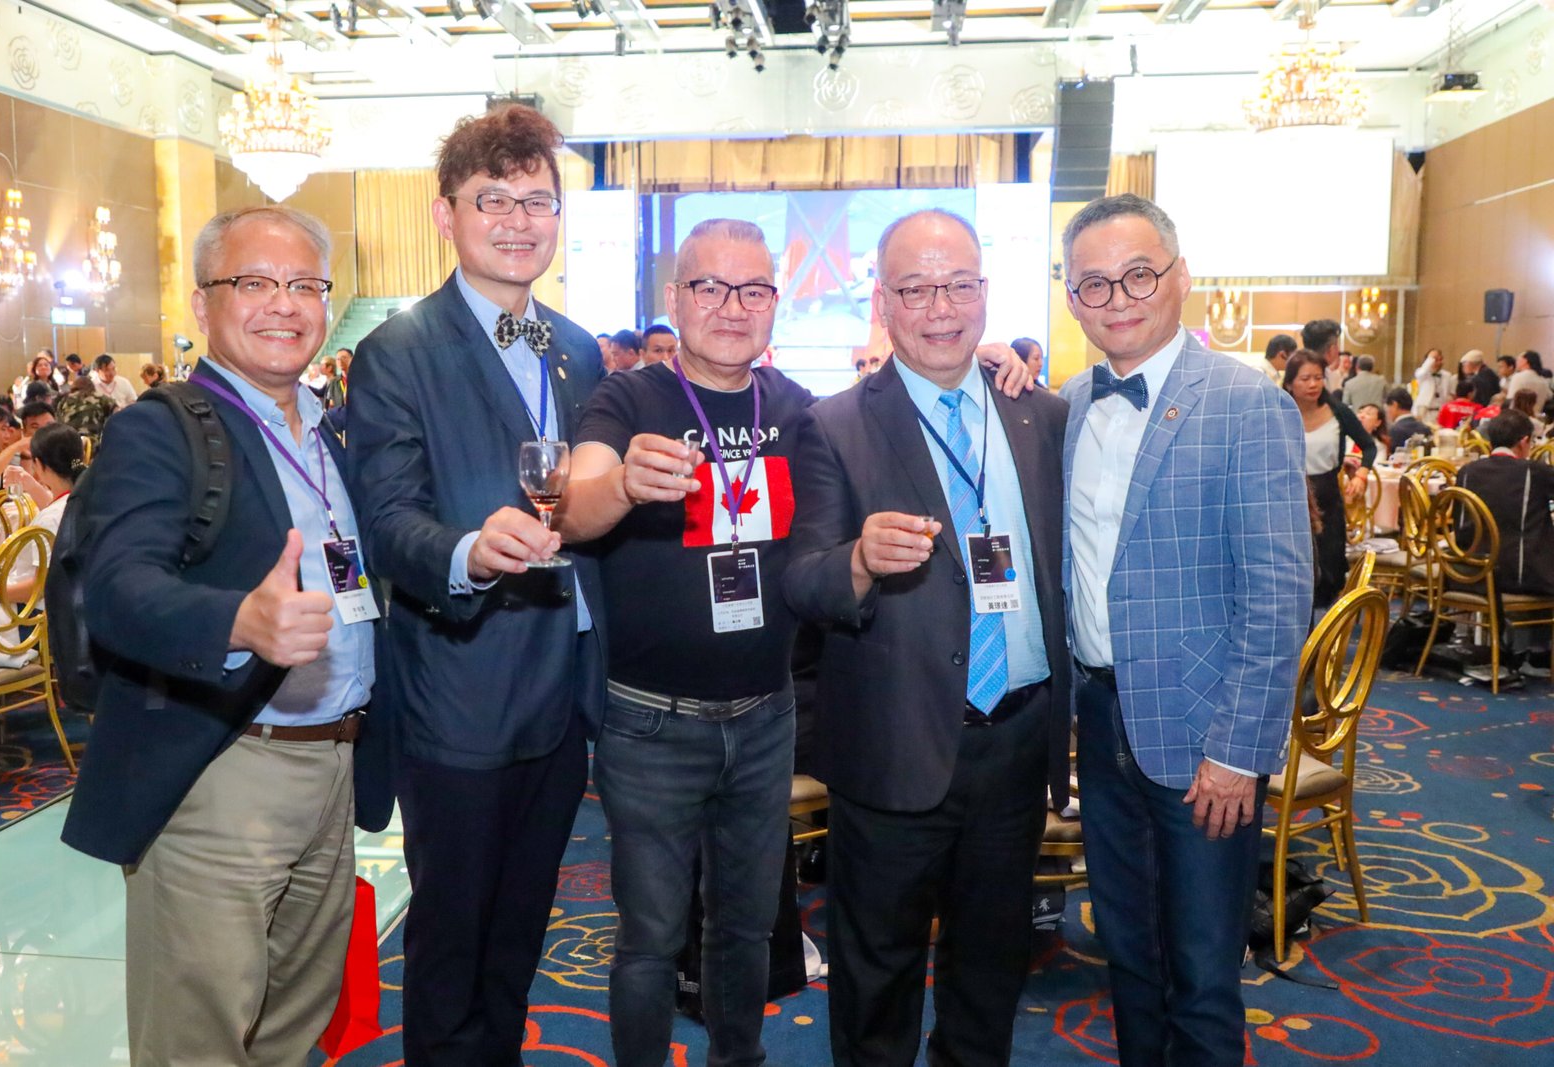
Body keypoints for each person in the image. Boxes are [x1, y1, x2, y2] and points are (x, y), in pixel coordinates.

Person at [59, 205, 390, 1066]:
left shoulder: (330, 428)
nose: (284, 303)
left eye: (305, 285)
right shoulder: (161, 427)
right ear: (204, 303)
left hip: (333, 764)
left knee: (290, 1025)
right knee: (200, 1038)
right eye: (254, 282)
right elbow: (117, 586)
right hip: (222, 767)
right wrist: (238, 619)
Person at [345, 104, 606, 1067]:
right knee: (453, 941)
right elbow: (388, 519)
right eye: (492, 199)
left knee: (520, 933)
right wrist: (466, 551)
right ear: (445, 214)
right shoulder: (399, 351)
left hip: (564, 689)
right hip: (461, 690)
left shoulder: (577, 348)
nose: (517, 221)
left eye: (537, 201)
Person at [785, 208, 1070, 1067]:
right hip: (894, 741)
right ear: (882, 302)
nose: (940, 308)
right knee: (877, 979)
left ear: (985, 293)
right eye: (915, 289)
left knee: (990, 971)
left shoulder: (1041, 414)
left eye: (957, 286)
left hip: (1016, 740)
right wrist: (859, 561)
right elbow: (803, 580)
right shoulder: (834, 423)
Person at [1058, 194, 1311, 1067]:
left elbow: (1279, 593)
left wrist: (1240, 749)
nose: (1118, 298)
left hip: (1207, 734)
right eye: (1094, 283)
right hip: (1101, 721)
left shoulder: (1247, 404)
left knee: (1202, 972)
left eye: (1139, 274)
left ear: (1182, 276)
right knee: (1127, 954)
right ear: (1072, 299)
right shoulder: (1069, 404)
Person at [560, 219, 808, 1067]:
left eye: (753, 289)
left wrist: (987, 364)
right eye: (710, 287)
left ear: (774, 301)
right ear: (675, 298)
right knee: (650, 938)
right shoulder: (629, 400)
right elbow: (573, 507)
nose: (732, 307)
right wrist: (625, 484)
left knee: (746, 926)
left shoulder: (794, 407)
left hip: (767, 717)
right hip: (651, 724)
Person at [0, 424, 79, 647]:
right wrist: (31, 484)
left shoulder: (51, 518)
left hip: (26, 622)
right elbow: (56, 510)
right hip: (56, 616)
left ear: (38, 464)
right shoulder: (80, 503)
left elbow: (39, 587)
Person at [1284, 349, 1376, 604]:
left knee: (1329, 573)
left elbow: (1368, 446)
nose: (1313, 384)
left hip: (1328, 498)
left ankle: (1330, 625)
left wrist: (1361, 474)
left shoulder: (1338, 411)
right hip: (1291, 498)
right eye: (1305, 379)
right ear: (1290, 383)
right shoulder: (1280, 412)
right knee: (1296, 576)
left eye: (1318, 377)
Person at [1457, 408, 1554, 597]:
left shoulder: (1466, 471)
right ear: (1524, 441)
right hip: (1521, 576)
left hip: (1469, 573)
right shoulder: (1534, 472)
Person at [57, 373, 118, 447]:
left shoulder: (65, 400)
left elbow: (58, 422)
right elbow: (118, 413)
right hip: (93, 442)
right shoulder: (100, 397)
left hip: (69, 441)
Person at [1414, 347, 1456, 423]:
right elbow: (1421, 372)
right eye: (1435, 360)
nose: (1438, 363)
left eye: (1440, 360)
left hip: (1440, 410)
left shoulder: (1447, 375)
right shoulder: (1422, 373)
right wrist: (1430, 359)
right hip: (1424, 411)